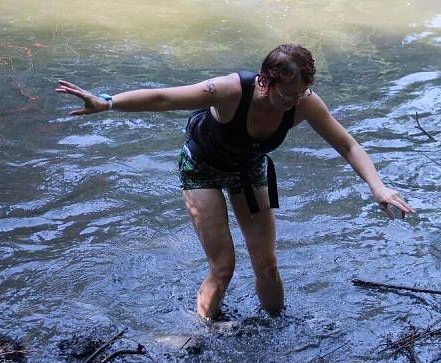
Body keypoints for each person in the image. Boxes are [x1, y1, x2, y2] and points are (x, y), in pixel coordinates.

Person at [56, 44, 414, 320]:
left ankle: (277, 327)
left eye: (300, 94)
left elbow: (347, 144)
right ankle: (203, 332)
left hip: (248, 169)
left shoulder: (303, 100)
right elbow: (165, 97)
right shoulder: (229, 90)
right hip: (202, 168)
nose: (293, 102)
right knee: (224, 265)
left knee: (266, 262)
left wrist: (378, 187)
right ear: (264, 81)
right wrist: (106, 103)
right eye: (286, 95)